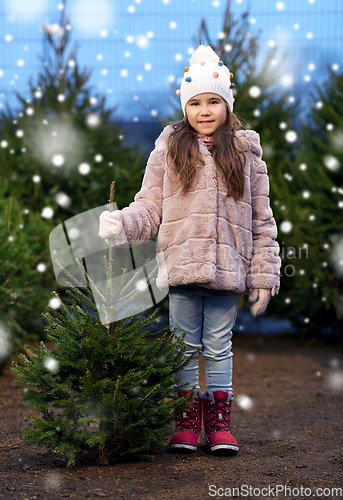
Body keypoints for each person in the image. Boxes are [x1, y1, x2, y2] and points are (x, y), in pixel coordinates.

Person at [99, 44, 281, 455]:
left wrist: (265, 275)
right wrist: (123, 224)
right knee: (181, 344)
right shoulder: (169, 149)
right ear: (184, 106)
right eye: (195, 102)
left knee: (219, 344)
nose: (204, 110)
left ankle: (218, 426)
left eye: (213, 101)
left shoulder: (246, 153)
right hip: (180, 269)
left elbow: (261, 219)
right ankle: (184, 420)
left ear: (227, 105)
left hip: (226, 270)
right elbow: (150, 206)